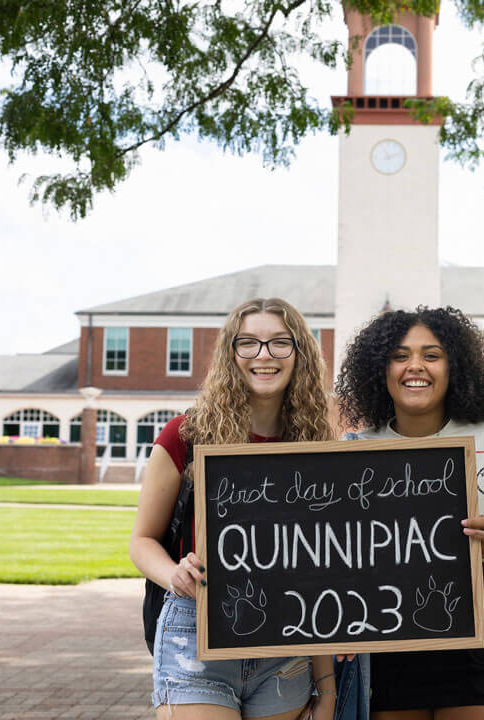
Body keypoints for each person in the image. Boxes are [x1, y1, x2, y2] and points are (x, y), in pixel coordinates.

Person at [335, 306, 484, 720]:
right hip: (386, 633)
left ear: (454, 365)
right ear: (380, 368)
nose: (415, 367)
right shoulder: (354, 450)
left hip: (477, 631)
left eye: (432, 354)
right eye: (400, 355)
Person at [130, 297, 337, 720]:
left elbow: (318, 572)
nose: (264, 356)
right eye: (249, 343)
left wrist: (326, 682)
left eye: (280, 343)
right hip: (197, 628)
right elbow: (142, 541)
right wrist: (173, 574)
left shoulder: (315, 444)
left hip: (287, 640)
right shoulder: (185, 435)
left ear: (300, 353)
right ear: (231, 352)